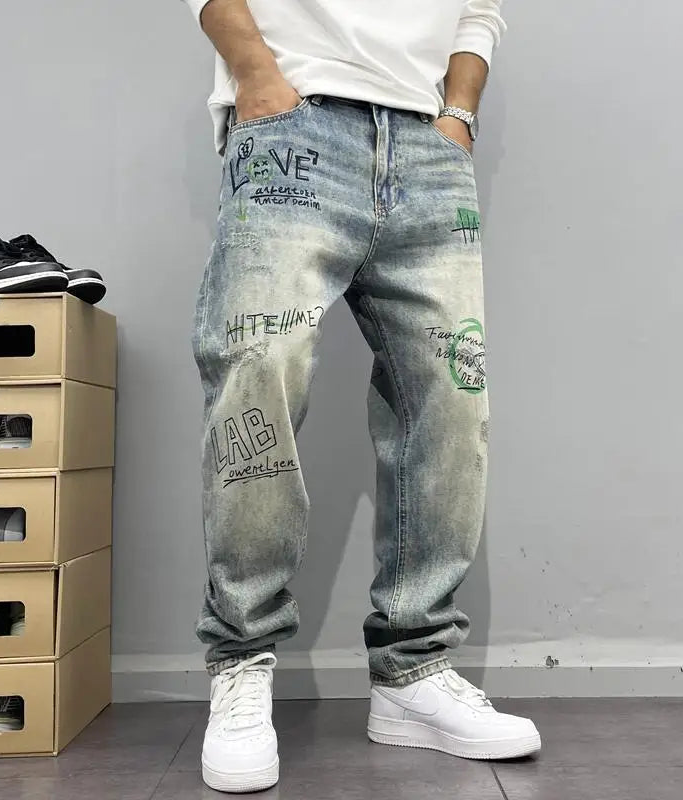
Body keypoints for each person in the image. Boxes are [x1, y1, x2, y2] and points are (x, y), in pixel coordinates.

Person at [183, 0, 541, 791]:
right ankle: (241, 660)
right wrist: (255, 73)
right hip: (294, 123)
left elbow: (478, 10)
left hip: (428, 144)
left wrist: (458, 115)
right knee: (257, 376)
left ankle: (414, 672)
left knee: (451, 399)